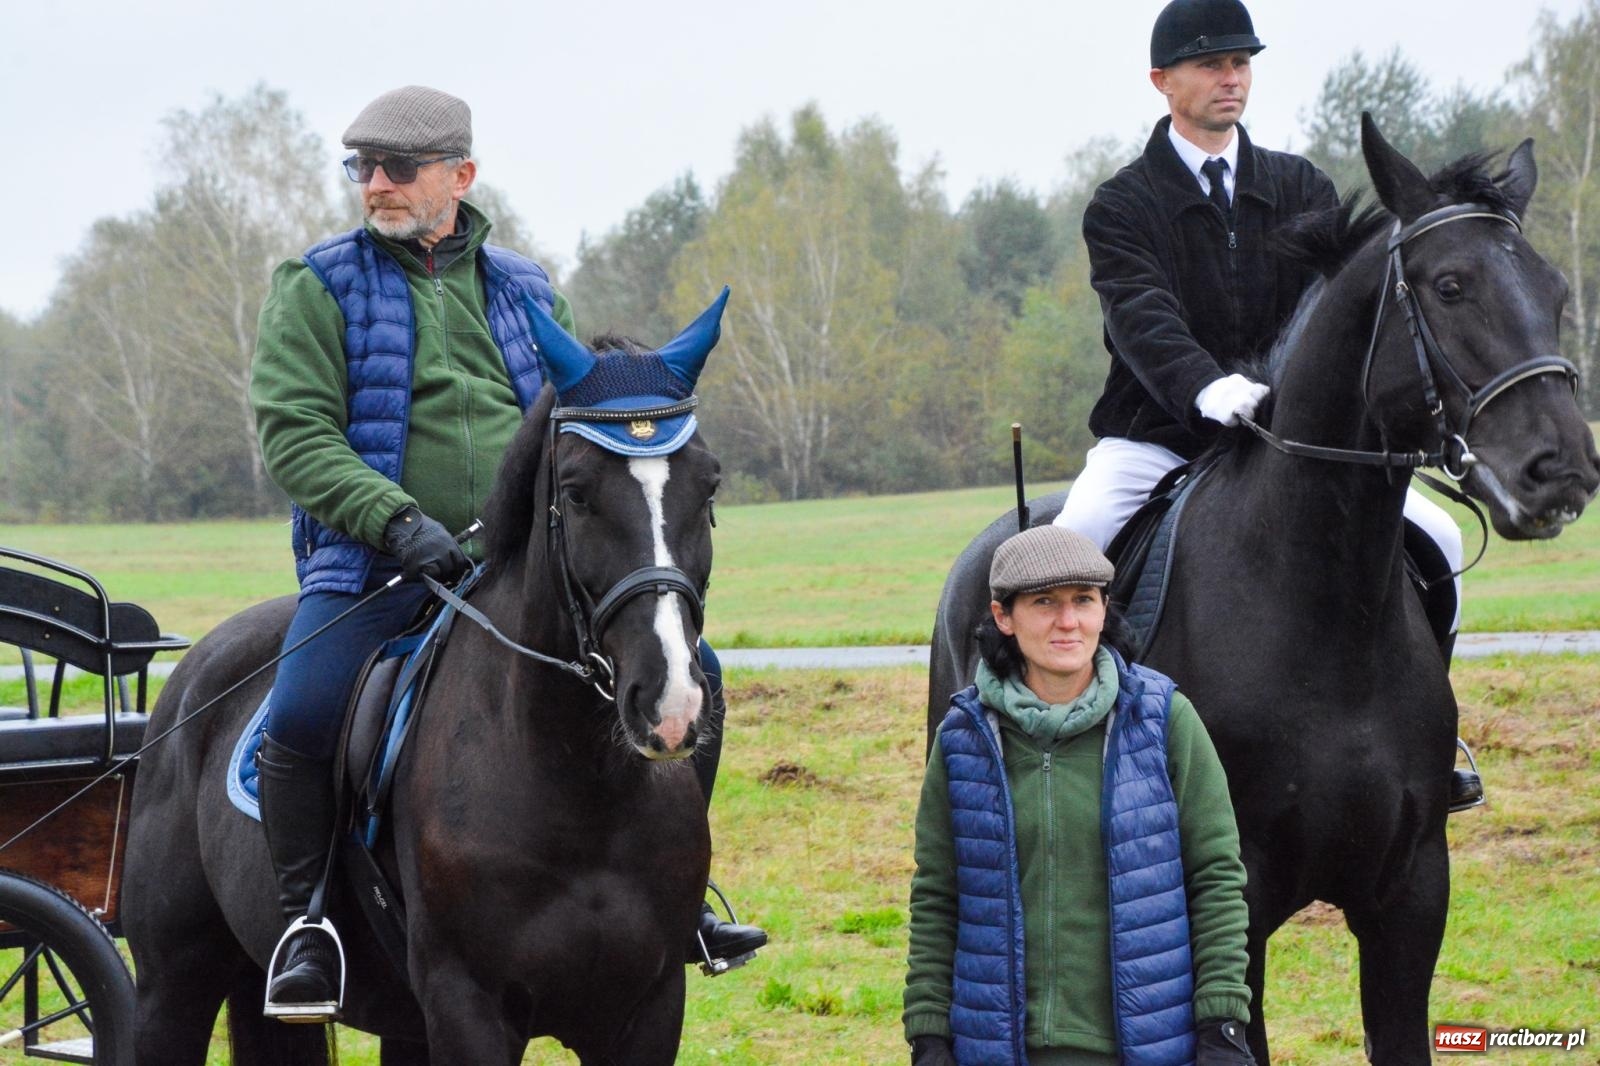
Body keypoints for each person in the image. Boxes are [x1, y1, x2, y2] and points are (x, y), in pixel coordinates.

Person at [249, 85, 763, 1021]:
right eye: (361, 168)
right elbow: (294, 434)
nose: (376, 185)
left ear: (460, 176)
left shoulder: (529, 291)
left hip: (517, 570)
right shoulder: (315, 283)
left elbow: (570, 425)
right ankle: (306, 926)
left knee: (702, 680)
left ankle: (682, 907)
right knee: (302, 712)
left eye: (397, 168)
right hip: (374, 568)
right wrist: (396, 521)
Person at [1053, 0, 1477, 808]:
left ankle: (1430, 732)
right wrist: (1206, 386)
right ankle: (1070, 746)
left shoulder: (1299, 186)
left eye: (1242, 62)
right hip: (1158, 439)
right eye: (1212, 64)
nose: (1231, 77)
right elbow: (1139, 313)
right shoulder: (1123, 203)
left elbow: (1333, 314)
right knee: (1070, 554)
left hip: (1290, 440)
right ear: (1162, 81)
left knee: (1442, 534)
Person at [905, 525, 1256, 1065]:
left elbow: (1214, 876)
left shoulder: (1167, 719)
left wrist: (1223, 1021)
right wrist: (928, 1032)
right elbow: (937, 894)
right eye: (1045, 602)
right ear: (1003, 616)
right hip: (998, 1049)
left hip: (1148, 1047)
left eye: (1083, 601)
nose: (1068, 622)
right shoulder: (961, 736)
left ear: (1104, 608)